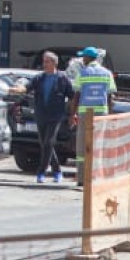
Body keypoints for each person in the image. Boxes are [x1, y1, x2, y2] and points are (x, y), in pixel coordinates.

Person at [24, 49, 75, 184]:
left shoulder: (62, 78)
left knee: (48, 142)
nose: (44, 64)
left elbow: (72, 96)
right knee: (45, 144)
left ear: (54, 63)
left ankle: (41, 172)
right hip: (41, 114)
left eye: (47, 62)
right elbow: (27, 87)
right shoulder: (39, 78)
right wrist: (16, 88)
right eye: (44, 61)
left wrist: (71, 114)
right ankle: (57, 171)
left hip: (56, 116)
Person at [71, 47, 115, 185]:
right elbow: (110, 96)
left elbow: (76, 95)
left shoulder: (82, 73)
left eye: (83, 57)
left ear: (88, 58)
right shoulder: (107, 73)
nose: (82, 60)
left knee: (82, 146)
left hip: (85, 114)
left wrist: (72, 114)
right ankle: (96, 177)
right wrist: (110, 115)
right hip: (101, 114)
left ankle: (82, 178)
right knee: (99, 145)